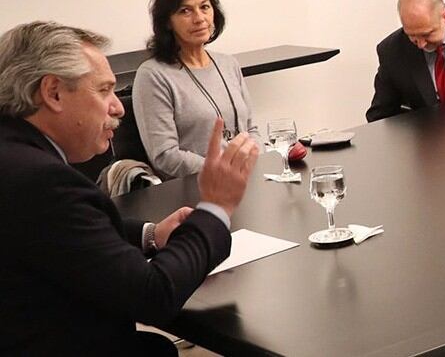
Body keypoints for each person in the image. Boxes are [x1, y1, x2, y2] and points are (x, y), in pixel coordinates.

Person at [0, 21, 259, 356]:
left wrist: (150, 234)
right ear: (53, 92)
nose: (118, 107)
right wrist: (216, 207)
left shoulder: (15, 156)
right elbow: (153, 296)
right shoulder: (40, 180)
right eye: (104, 90)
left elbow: (65, 230)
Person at [133, 0, 264, 180]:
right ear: (167, 21)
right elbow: (165, 156)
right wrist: (223, 170)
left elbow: (252, 130)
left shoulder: (228, 64)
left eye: (204, 7)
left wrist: (253, 160)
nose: (199, 18)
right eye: (185, 11)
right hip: (194, 190)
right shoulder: (153, 76)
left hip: (245, 180)